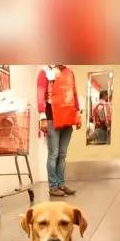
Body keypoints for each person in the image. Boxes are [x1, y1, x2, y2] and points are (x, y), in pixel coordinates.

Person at [37, 65, 82, 198]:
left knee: (62, 154)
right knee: (54, 153)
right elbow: (40, 96)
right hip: (52, 117)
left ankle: (61, 184)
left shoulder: (69, 72)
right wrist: (42, 118)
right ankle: (53, 186)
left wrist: (78, 114)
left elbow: (73, 94)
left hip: (67, 117)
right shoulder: (44, 71)